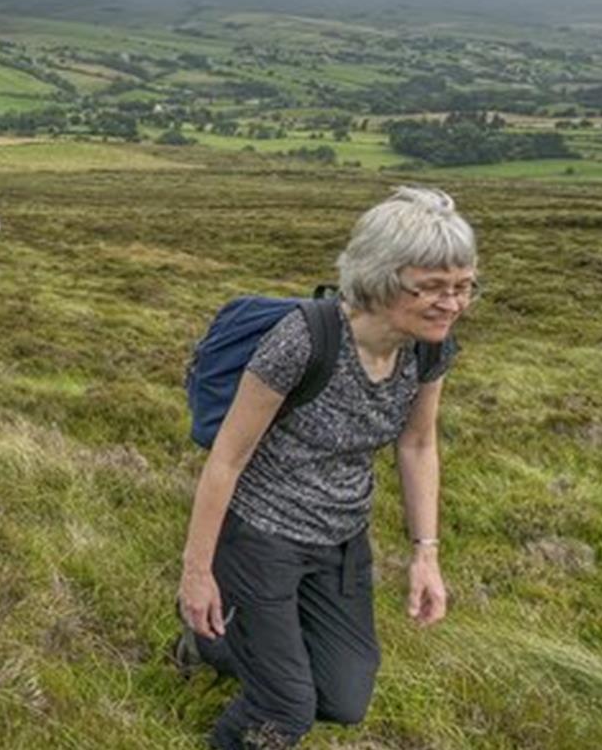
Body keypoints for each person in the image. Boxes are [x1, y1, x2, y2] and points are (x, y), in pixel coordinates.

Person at [176, 187, 472, 750]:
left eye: (463, 287)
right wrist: (197, 572)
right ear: (381, 279)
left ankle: (213, 644)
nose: (451, 304)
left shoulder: (429, 349)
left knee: (342, 698)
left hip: (341, 539)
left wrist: (425, 555)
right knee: (286, 708)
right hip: (258, 534)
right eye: (432, 287)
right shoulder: (304, 341)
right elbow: (227, 458)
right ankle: (219, 648)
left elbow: (417, 445)